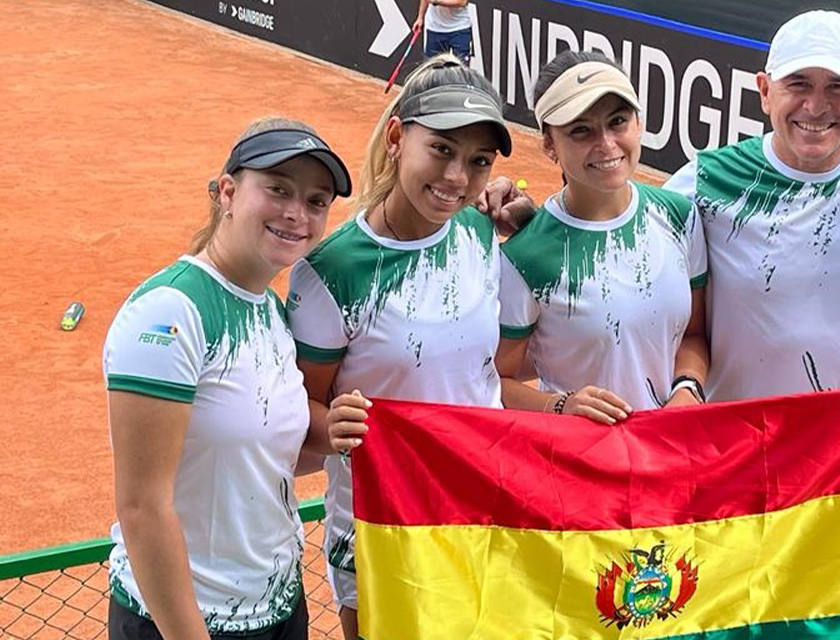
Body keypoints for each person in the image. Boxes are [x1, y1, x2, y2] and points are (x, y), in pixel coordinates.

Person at [287, 53, 512, 640]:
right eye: (441, 149)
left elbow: (483, 379)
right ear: (396, 138)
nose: (458, 178)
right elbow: (301, 414)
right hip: (381, 524)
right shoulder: (331, 271)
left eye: (478, 161)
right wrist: (330, 426)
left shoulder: (480, 231)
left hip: (481, 510)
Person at [104, 117, 351, 640]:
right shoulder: (170, 314)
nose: (296, 213)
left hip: (279, 609)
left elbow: (258, 461)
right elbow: (143, 506)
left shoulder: (270, 312)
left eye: (315, 201)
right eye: (278, 189)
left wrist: (334, 437)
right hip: (186, 623)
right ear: (228, 192)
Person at [662, 10, 840, 402]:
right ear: (765, 91)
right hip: (736, 437)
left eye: (838, 87)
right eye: (798, 84)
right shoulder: (707, 179)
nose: (816, 105)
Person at [495, 50, 710, 421]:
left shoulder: (679, 216)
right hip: (576, 464)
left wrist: (688, 389)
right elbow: (494, 379)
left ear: (638, 123)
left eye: (618, 121)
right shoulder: (524, 257)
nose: (607, 143)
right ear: (549, 144)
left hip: (668, 452)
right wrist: (562, 405)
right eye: (581, 130)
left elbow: (694, 335)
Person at [414, 0, 472, 65]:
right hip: (435, 29)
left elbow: (462, 2)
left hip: (459, 29)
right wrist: (420, 17)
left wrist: (436, 1)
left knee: (461, 71)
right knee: (433, 71)